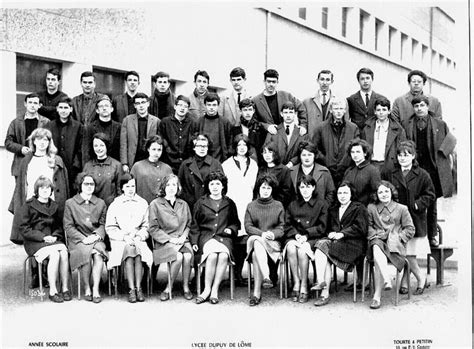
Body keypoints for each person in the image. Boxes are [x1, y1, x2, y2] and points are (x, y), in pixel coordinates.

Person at [382, 141, 436, 296]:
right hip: (396, 219)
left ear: (413, 156)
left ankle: (420, 278)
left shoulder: (423, 174)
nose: (402, 158)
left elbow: (430, 194)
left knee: (410, 255)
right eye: (400, 155)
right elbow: (384, 190)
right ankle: (405, 280)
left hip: (414, 218)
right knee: (401, 253)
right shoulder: (391, 173)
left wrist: (418, 204)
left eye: (406, 155)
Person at [402, 96, 455, 247]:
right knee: (412, 201)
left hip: (433, 169)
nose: (419, 108)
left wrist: (442, 153)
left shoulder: (439, 123)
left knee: (431, 203)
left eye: (422, 105)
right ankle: (412, 234)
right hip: (415, 168)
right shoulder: (407, 124)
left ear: (427, 107)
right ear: (413, 108)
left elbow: (451, 140)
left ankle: (432, 235)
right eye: (416, 106)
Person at [9, 127, 69, 244]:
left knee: (52, 233)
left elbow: (63, 185)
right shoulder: (27, 161)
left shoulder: (56, 160)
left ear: (49, 142)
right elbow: (21, 185)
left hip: (52, 203)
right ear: (34, 141)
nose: (42, 142)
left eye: (45, 140)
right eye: (39, 139)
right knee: (34, 233)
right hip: (33, 203)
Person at [312, 181, 368, 306]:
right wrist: (332, 233)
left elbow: (361, 228)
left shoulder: (359, 208)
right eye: (340, 193)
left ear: (351, 194)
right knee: (322, 248)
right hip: (337, 244)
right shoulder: (333, 210)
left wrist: (342, 234)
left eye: (345, 193)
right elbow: (328, 228)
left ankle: (321, 283)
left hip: (353, 245)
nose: (342, 195)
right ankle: (323, 292)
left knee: (322, 247)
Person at [190, 171, 240, 304]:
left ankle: (214, 290)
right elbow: (194, 225)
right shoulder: (201, 203)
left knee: (223, 255)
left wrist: (231, 229)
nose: (215, 186)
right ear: (208, 186)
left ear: (223, 186)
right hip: (206, 238)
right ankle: (206, 289)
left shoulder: (229, 203)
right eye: (212, 184)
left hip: (224, 238)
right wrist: (194, 241)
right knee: (212, 255)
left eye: (218, 183)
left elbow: (236, 223)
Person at [18, 176, 71, 302]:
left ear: (51, 190)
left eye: (48, 188)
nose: (45, 190)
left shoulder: (55, 205)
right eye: (42, 188)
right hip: (35, 241)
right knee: (54, 254)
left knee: (63, 251)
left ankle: (65, 288)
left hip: (52, 239)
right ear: (37, 190)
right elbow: (24, 228)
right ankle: (53, 291)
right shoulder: (28, 205)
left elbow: (58, 226)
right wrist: (42, 237)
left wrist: (54, 236)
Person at [367, 180, 415, 309]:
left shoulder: (401, 208)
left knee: (378, 258)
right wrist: (377, 234)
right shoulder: (371, 208)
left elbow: (410, 229)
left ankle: (377, 296)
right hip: (377, 241)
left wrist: (399, 237)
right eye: (380, 192)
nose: (384, 194)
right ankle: (385, 281)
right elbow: (368, 227)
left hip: (394, 246)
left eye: (386, 191)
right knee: (376, 246)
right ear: (376, 195)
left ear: (391, 192)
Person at [105, 173, 152, 303]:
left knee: (137, 250)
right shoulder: (116, 204)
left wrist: (139, 235)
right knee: (130, 249)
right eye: (127, 186)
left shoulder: (142, 203)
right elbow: (110, 227)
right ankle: (132, 289)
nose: (131, 189)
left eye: (133, 186)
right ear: (122, 188)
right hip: (120, 239)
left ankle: (138, 288)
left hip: (137, 237)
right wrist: (125, 237)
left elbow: (146, 226)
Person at [64, 172, 109, 303]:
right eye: (86, 184)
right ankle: (86, 287)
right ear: (80, 185)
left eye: (92, 184)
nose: (89, 186)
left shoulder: (101, 203)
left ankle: (95, 289)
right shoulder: (70, 203)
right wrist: (83, 239)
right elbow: (68, 226)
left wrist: (95, 236)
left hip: (95, 239)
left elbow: (103, 224)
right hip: (78, 240)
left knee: (98, 254)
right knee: (85, 253)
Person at [148, 174, 194, 301]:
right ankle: (168, 288)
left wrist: (184, 236)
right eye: (168, 185)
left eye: (174, 184)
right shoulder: (155, 204)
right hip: (164, 242)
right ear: (163, 187)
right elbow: (153, 228)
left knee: (188, 256)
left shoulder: (183, 204)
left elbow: (189, 224)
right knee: (178, 257)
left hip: (182, 240)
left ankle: (186, 287)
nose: (171, 187)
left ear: (178, 187)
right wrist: (170, 239)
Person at [283, 175, 328, 303]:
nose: (305, 190)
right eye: (302, 187)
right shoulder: (293, 205)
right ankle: (296, 282)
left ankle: (304, 285)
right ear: (298, 188)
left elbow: (322, 226)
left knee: (302, 251)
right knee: (291, 248)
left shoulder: (321, 204)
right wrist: (296, 234)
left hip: (313, 238)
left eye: (308, 186)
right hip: (295, 236)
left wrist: (306, 235)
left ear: (313, 187)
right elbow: (287, 224)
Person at [222, 134, 259, 285]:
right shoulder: (227, 164)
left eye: (244, 145)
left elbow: (253, 185)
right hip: (232, 204)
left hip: (247, 204)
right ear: (235, 147)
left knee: (245, 237)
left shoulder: (254, 164)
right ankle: (232, 273)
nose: (242, 148)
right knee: (234, 236)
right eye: (239, 145)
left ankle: (239, 273)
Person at [245, 174, 285, 306]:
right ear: (258, 189)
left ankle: (257, 293)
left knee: (256, 250)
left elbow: (282, 226)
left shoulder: (278, 205)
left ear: (272, 190)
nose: (266, 190)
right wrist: (262, 234)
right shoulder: (251, 206)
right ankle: (266, 276)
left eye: (268, 188)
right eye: (263, 187)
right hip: (258, 239)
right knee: (256, 242)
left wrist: (273, 234)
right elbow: (248, 226)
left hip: (272, 242)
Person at [313, 97, 360, 186]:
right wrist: (325, 160)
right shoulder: (321, 128)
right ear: (331, 110)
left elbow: (356, 149)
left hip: (347, 170)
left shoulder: (353, 128)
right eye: (336, 108)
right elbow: (314, 148)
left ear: (345, 110)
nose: (338, 111)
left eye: (341, 108)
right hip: (326, 170)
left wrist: (347, 161)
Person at [5, 93, 50, 183]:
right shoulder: (16, 122)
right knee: (21, 193)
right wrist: (21, 148)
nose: (32, 105)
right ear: (25, 104)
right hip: (21, 162)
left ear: (39, 106)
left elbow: (51, 141)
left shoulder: (46, 122)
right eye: (30, 102)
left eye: (35, 103)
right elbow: (8, 142)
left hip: (40, 163)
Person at [252, 69, 307, 137]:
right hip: (266, 138)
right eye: (268, 81)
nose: (271, 84)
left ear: (277, 82)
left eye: (274, 82)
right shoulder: (256, 100)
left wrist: (303, 126)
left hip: (286, 136)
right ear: (264, 82)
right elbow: (254, 122)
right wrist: (267, 126)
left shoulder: (286, 95)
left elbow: (302, 109)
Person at [46, 96, 83, 193]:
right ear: (57, 109)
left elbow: (81, 148)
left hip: (71, 168)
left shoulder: (78, 127)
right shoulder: (49, 126)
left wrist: (76, 167)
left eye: (66, 108)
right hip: (53, 166)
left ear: (71, 109)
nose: (63, 110)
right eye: (61, 107)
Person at [178, 134, 223, 212]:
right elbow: (180, 186)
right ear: (194, 147)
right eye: (199, 146)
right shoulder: (185, 165)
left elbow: (223, 185)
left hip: (210, 207)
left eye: (205, 146)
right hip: (190, 206)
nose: (202, 149)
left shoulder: (215, 164)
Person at [361, 97, 407, 173]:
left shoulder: (398, 129)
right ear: (375, 111)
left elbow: (401, 148)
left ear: (389, 111)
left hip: (389, 165)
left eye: (384, 110)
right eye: (378, 110)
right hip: (371, 164)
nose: (381, 112)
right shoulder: (367, 128)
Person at [120, 93, 160, 173]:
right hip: (133, 159)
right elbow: (123, 144)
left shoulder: (156, 121)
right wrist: (124, 163)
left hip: (149, 158)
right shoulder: (127, 120)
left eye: (143, 102)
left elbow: (159, 143)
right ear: (135, 105)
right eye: (138, 103)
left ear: (148, 104)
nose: (141, 106)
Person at [303, 69, 349, 136]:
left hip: (333, 139)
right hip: (313, 140)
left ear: (332, 81)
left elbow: (346, 122)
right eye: (322, 79)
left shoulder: (341, 101)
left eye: (327, 80)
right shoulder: (307, 102)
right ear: (317, 81)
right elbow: (303, 123)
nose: (324, 83)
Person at [159, 95, 198, 173]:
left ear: (188, 110)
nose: (182, 108)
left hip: (186, 164)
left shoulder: (193, 123)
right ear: (175, 106)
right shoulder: (165, 122)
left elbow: (194, 142)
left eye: (185, 106)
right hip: (168, 163)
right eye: (180, 105)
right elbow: (162, 140)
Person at [289, 141, 335, 207]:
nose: (307, 158)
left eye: (310, 155)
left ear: (314, 156)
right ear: (300, 156)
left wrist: (324, 208)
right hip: (296, 213)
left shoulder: (324, 172)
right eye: (304, 155)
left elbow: (331, 192)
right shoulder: (291, 172)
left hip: (318, 213)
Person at [264, 102, 309, 168]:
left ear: (295, 114)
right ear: (281, 114)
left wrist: (292, 163)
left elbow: (306, 152)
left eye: (291, 112)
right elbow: (266, 150)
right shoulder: (273, 131)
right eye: (285, 112)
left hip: (295, 170)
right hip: (276, 170)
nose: (288, 115)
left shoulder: (301, 132)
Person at [130, 135, 173, 204]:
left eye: (159, 150)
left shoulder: (167, 168)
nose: (156, 153)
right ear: (148, 149)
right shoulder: (137, 166)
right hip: (142, 205)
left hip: (161, 207)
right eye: (153, 149)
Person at [82, 132, 122, 206]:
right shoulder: (88, 166)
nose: (99, 148)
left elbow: (120, 191)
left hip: (110, 207)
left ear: (107, 146)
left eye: (102, 145)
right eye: (96, 146)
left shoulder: (116, 165)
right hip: (92, 208)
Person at [82, 95, 121, 164]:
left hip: (114, 165)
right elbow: (86, 151)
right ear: (97, 110)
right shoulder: (90, 128)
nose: (104, 108)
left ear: (112, 109)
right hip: (95, 165)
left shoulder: (119, 127)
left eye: (106, 106)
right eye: (101, 106)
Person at [346, 68, 387, 133]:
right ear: (358, 81)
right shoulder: (351, 99)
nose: (365, 81)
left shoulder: (381, 99)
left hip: (375, 135)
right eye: (362, 79)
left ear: (372, 79)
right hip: (357, 136)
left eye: (367, 78)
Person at [254, 142, 294, 207]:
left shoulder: (284, 170)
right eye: (265, 152)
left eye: (270, 152)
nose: (267, 155)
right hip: (260, 205)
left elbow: (286, 192)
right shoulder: (261, 169)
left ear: (275, 153)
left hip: (277, 206)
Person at [343, 139, 381, 206]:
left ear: (365, 153)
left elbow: (376, 192)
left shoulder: (372, 170)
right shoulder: (349, 171)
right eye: (352, 152)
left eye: (358, 152)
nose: (355, 155)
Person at [196, 93, 232, 162]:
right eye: (209, 105)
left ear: (218, 106)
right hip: (202, 161)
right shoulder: (199, 122)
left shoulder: (225, 122)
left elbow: (229, 142)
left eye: (214, 105)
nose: (211, 107)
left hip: (220, 161)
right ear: (205, 106)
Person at [230, 98, 266, 164]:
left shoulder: (259, 127)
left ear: (254, 111)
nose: (248, 113)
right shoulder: (235, 128)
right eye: (245, 110)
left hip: (257, 161)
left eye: (250, 110)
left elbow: (262, 147)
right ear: (240, 111)